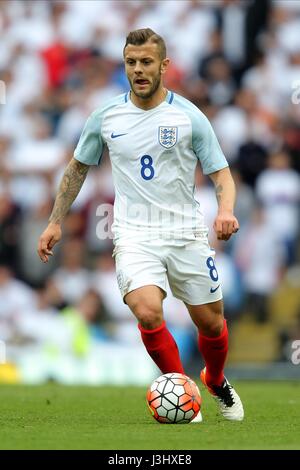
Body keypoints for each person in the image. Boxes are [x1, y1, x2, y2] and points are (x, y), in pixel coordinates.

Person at [38, 28, 244, 422]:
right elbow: (77, 168)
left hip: (185, 232)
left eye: (146, 62)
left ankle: (215, 380)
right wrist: (55, 222)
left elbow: (221, 174)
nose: (138, 70)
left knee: (211, 322)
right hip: (134, 234)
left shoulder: (188, 116)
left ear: (164, 65)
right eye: (131, 62)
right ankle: (182, 391)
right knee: (148, 311)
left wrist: (225, 210)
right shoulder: (106, 116)